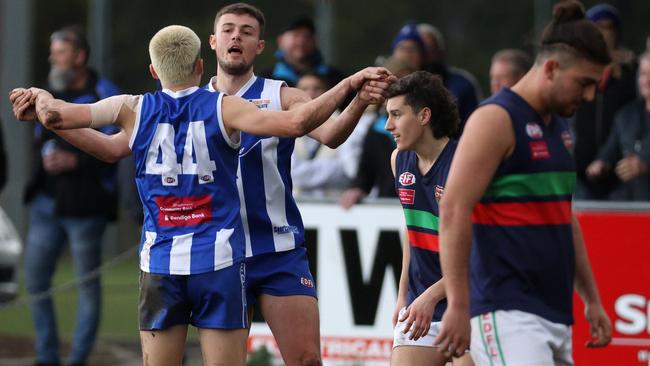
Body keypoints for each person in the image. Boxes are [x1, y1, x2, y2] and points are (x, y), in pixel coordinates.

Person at [13, 4, 394, 365]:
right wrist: (51, 119)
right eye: (228, 29)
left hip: (271, 246)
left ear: (259, 45)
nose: (236, 37)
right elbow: (115, 148)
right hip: (216, 250)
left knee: (307, 359)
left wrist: (357, 98)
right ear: (210, 44)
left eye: (247, 32)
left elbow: (329, 135)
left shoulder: (279, 94)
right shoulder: (194, 100)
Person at [435, 1, 612, 364]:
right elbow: (453, 208)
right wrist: (457, 304)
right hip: (507, 311)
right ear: (550, 67)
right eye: (585, 83)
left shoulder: (559, 127)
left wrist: (592, 299)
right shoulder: (495, 119)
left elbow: (564, 216)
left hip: (556, 312)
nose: (590, 95)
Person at [20, 25, 120, 366]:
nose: (53, 58)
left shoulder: (105, 92)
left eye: (59, 52)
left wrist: (74, 160)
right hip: (47, 202)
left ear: (79, 56)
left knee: (86, 286)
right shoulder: (48, 93)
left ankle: (76, 359)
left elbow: (117, 149)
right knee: (35, 281)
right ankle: (47, 356)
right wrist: (47, 150)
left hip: (86, 207)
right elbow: (39, 137)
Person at [384, 71, 468, 366]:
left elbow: (481, 251)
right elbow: (412, 232)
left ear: (424, 116)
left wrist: (431, 296)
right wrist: (403, 296)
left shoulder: (464, 164)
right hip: (421, 305)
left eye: (396, 114)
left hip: (468, 303)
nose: (388, 125)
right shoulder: (399, 159)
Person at [572, 3, 637, 200]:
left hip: (619, 169)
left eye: (609, 27)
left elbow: (635, 113)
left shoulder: (630, 70)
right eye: (598, 27)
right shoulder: (575, 68)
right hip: (580, 169)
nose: (604, 33)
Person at [339, 56, 417, 209]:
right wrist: (357, 189)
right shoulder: (376, 128)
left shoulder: (429, 123)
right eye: (396, 81)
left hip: (423, 208)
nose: (401, 87)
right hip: (388, 207)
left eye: (407, 81)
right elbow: (366, 172)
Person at [586, 51, 650, 201]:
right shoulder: (626, 114)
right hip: (627, 205)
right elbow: (610, 148)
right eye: (643, 74)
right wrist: (601, 163)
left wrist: (646, 166)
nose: (647, 81)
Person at [416, 23, 482, 130]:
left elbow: (475, 125)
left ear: (440, 51)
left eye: (430, 50)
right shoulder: (405, 84)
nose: (427, 57)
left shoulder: (462, 84)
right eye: (421, 51)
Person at [262, 16, 345, 88]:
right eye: (296, 35)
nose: (302, 41)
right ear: (280, 41)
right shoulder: (265, 81)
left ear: (315, 41)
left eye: (307, 36)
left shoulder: (335, 79)